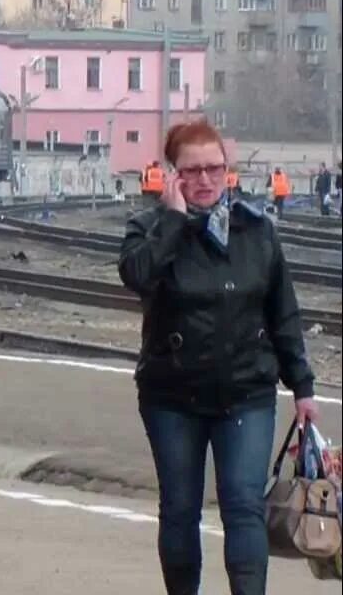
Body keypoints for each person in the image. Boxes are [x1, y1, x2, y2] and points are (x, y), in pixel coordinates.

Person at [118, 120, 319, 595]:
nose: (205, 180)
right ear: (173, 175)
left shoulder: (256, 229)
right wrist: (172, 219)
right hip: (173, 395)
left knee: (244, 506)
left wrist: (303, 387)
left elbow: (282, 312)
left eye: (215, 168)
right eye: (193, 170)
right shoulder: (147, 228)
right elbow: (138, 277)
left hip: (246, 392)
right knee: (181, 509)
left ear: (227, 171)